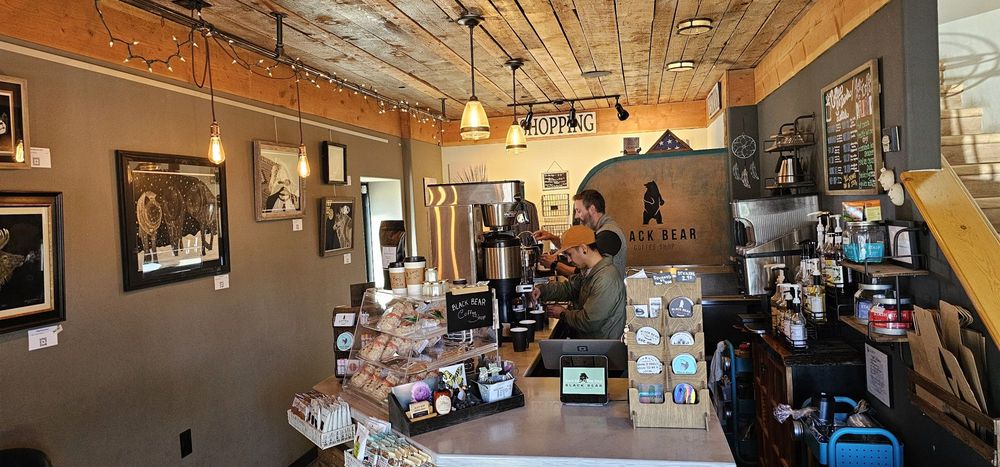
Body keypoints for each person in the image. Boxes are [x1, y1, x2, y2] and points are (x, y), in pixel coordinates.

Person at [531, 225, 627, 340]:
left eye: (569, 254)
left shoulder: (606, 278)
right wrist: (542, 290)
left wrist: (563, 314)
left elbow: (590, 321)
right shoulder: (590, 271)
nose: (569, 260)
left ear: (583, 248)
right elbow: (569, 289)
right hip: (591, 344)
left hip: (601, 350)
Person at [533, 189, 627, 278]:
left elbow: (581, 273)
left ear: (592, 209)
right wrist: (552, 237)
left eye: (578, 211)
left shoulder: (607, 235)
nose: (576, 216)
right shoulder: (601, 231)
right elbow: (575, 249)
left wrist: (554, 265)